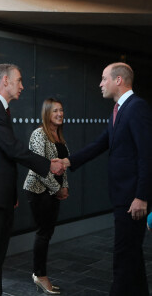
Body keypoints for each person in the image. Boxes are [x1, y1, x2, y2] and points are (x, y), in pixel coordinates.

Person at [0, 64, 65, 296]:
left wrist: (10, 195)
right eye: (19, 81)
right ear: (4, 80)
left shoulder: (0, 109)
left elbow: (2, 157)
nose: (22, 86)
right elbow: (12, 149)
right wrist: (47, 165)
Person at [57, 62, 152, 296]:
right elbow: (101, 143)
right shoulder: (119, 109)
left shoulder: (137, 107)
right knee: (131, 254)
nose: (100, 84)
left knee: (123, 255)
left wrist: (141, 196)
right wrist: (68, 162)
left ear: (118, 80)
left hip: (132, 198)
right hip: (122, 195)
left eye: (103, 78)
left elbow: (147, 155)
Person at [23, 98, 69, 295]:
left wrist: (64, 186)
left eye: (61, 110)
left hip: (53, 191)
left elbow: (62, 164)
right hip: (38, 189)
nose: (59, 114)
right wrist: (56, 189)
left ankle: (41, 274)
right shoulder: (39, 134)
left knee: (47, 233)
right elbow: (39, 167)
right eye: (55, 111)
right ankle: (40, 276)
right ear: (47, 113)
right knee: (43, 233)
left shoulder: (58, 135)